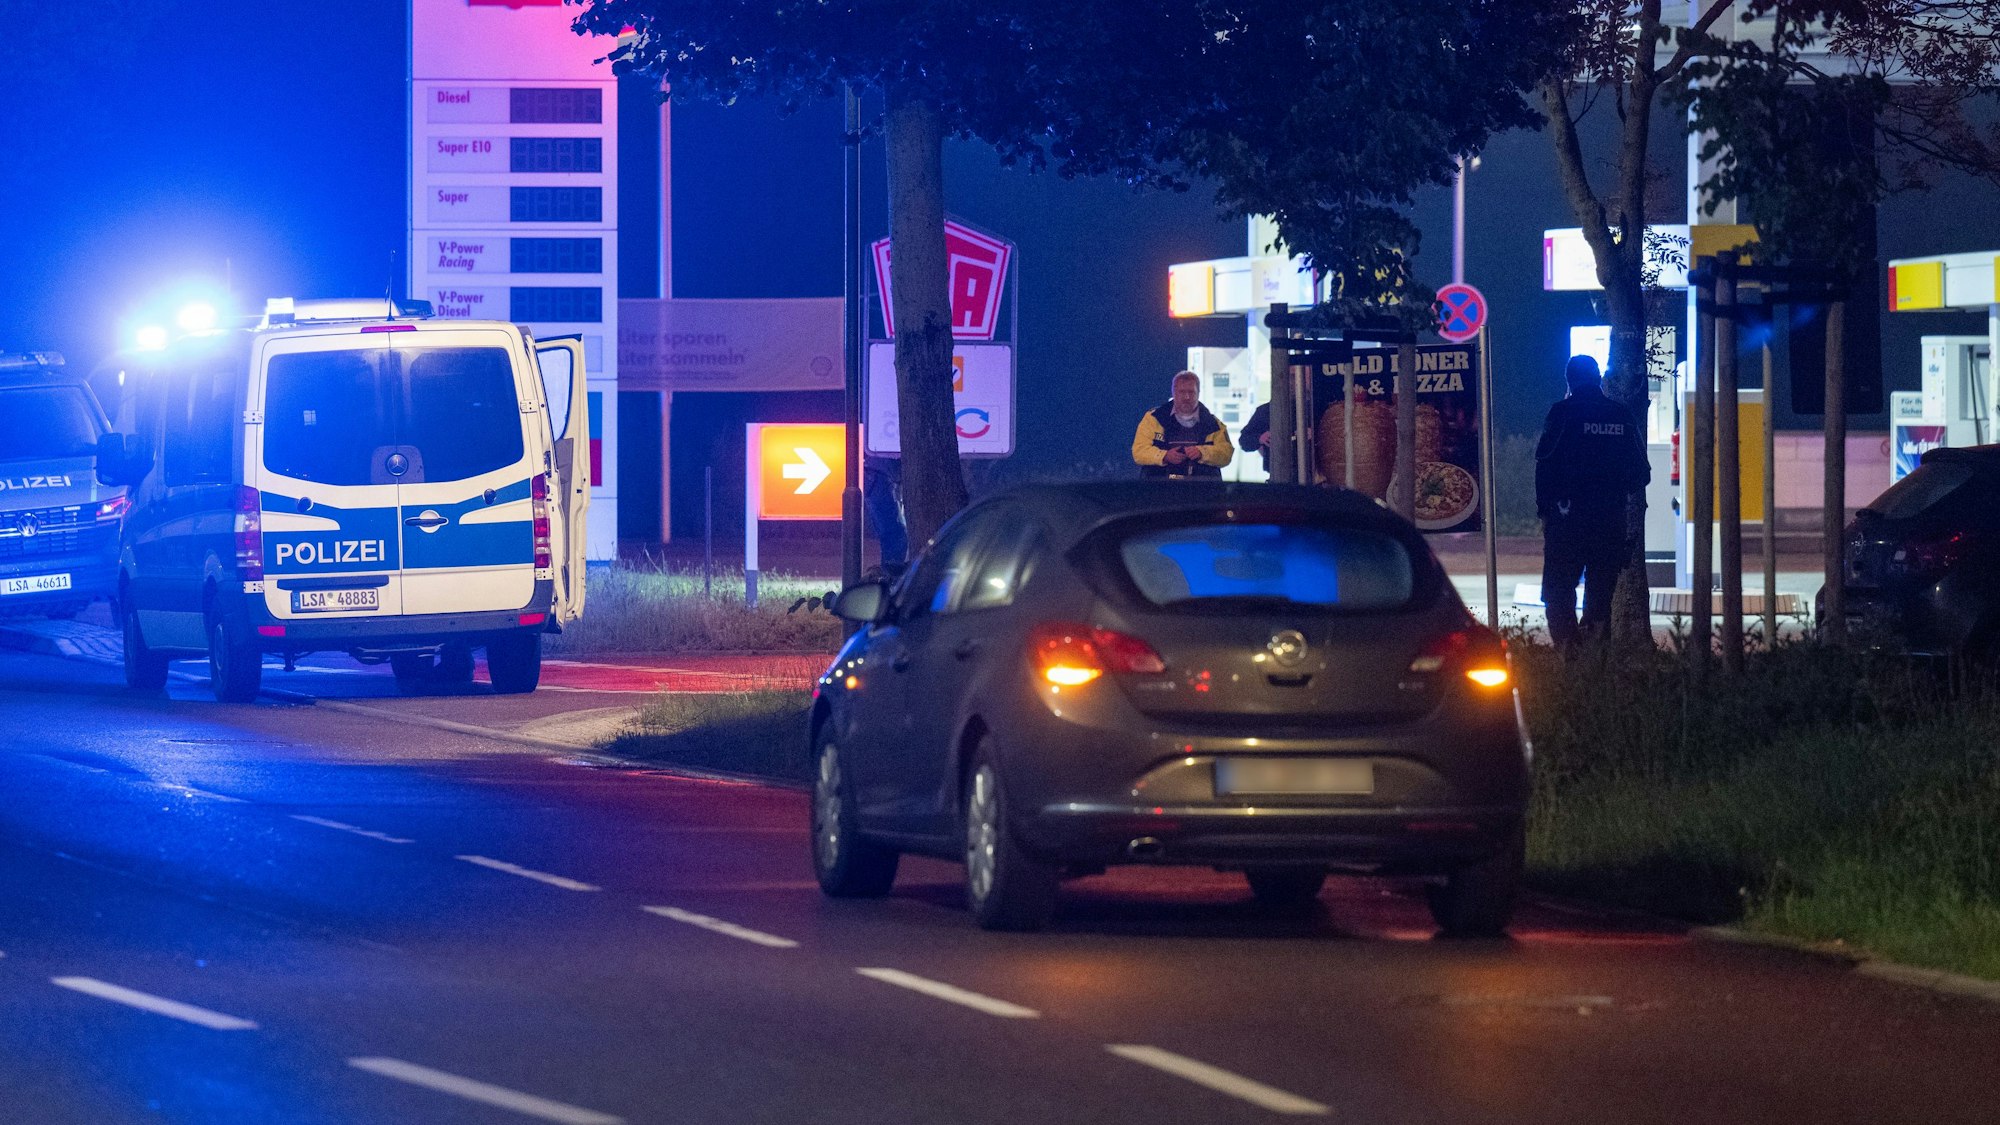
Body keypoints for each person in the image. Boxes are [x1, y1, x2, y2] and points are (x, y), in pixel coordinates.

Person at [1535, 354, 1651, 650]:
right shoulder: (1621, 415)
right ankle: (1594, 657)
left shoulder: (1562, 413)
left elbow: (1544, 467)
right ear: (1599, 378)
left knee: (1558, 592)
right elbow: (1641, 474)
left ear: (1569, 381)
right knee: (1600, 596)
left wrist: (1547, 512)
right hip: (1610, 521)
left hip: (1567, 521)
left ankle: (1571, 656)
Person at [1133, 370, 1234, 478]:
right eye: (1182, 392)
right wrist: (1164, 456)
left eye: (1191, 392)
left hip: (1202, 490)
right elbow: (1139, 451)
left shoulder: (1213, 423)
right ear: (1173, 392)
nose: (1187, 397)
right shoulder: (1153, 419)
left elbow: (1226, 454)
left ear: (1198, 393)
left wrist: (1202, 453)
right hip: (1159, 488)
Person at [862, 453, 907, 573]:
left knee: (892, 533)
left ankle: (889, 575)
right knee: (894, 533)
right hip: (878, 471)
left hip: (876, 470)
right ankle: (891, 577)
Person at [1240, 401, 1272, 473]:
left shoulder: (1265, 410)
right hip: (1278, 471)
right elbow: (1244, 440)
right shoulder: (1265, 411)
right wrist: (1260, 438)